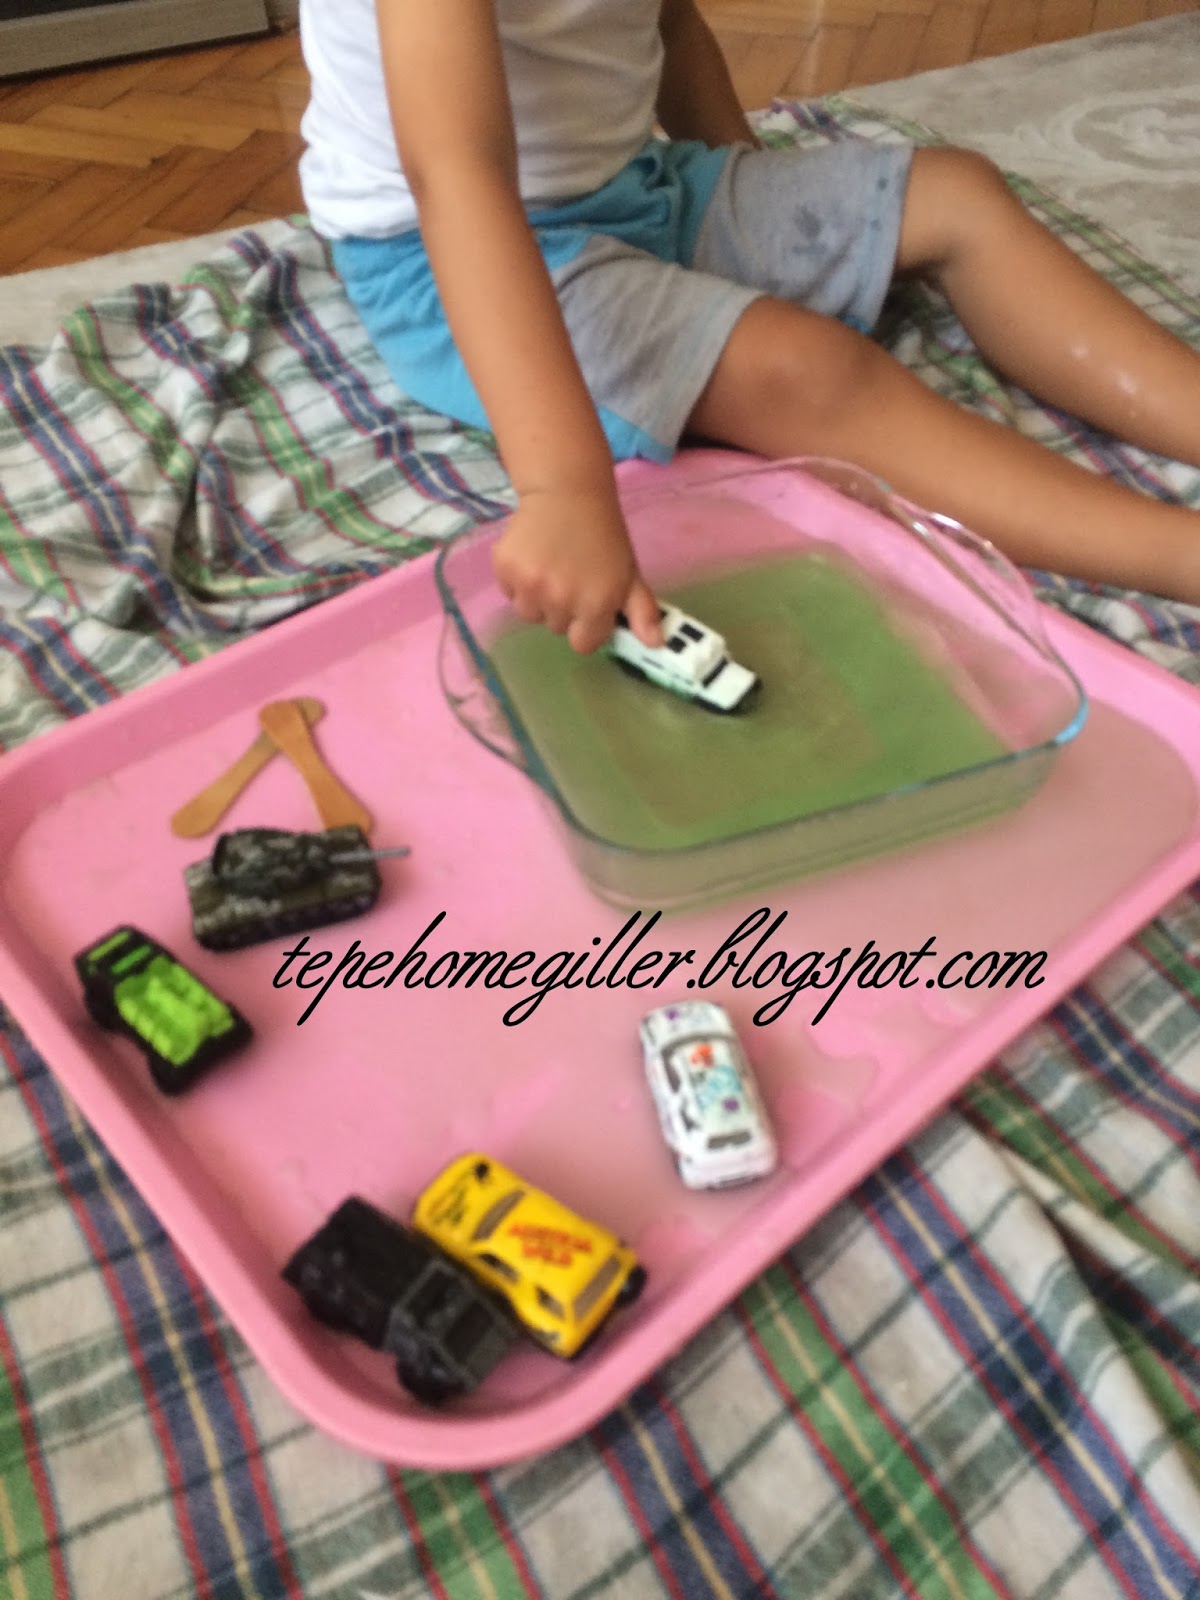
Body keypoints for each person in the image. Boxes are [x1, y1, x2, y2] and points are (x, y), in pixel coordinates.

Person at [298, 0, 1200, 655]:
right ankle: (1178, 554)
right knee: (804, 369)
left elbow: (668, 25)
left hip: (636, 187)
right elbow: (458, 172)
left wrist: (758, 204)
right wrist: (563, 489)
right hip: (445, 256)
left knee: (959, 193)